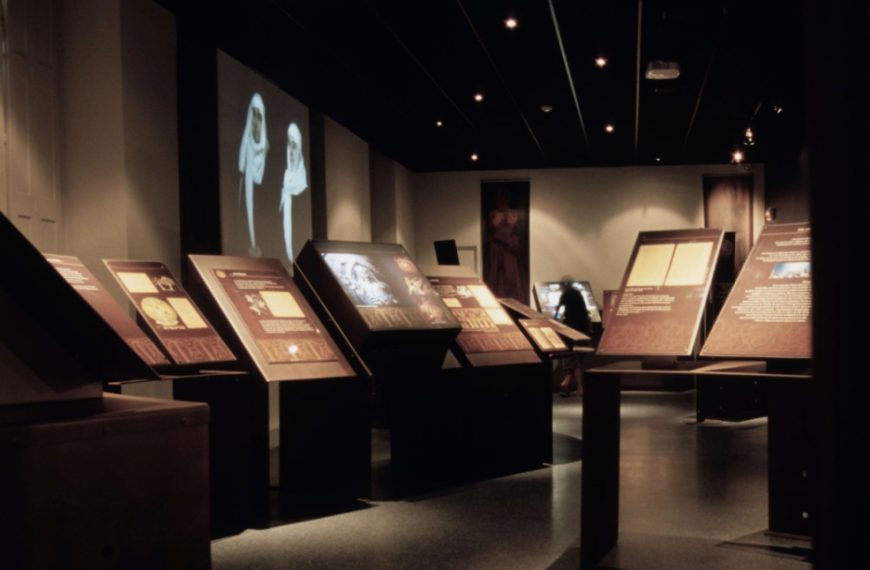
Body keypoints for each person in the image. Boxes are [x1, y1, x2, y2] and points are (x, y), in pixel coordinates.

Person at [238, 93, 268, 256]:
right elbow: (245, 142)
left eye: (259, 114)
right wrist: (242, 163)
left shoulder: (263, 140)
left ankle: (255, 242)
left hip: (257, 174)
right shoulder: (249, 134)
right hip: (249, 170)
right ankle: (253, 242)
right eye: (254, 113)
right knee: (248, 204)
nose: (256, 118)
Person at [485, 189, 524, 299]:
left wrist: (512, 226)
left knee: (510, 274)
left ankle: (514, 302)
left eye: (504, 198)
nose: (502, 201)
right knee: (494, 275)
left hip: (509, 248)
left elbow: (519, 232)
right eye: (500, 198)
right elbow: (488, 232)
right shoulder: (493, 214)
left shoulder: (514, 213)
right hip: (496, 247)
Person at [279, 122, 307, 261]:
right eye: (289, 145)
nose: (291, 151)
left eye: (294, 146)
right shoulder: (284, 183)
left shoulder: (302, 190)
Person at [556, 286, 591, 396]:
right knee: (575, 362)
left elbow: (557, 313)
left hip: (570, 337)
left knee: (573, 362)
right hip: (583, 335)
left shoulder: (569, 320)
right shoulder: (583, 315)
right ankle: (566, 383)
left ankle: (580, 388)